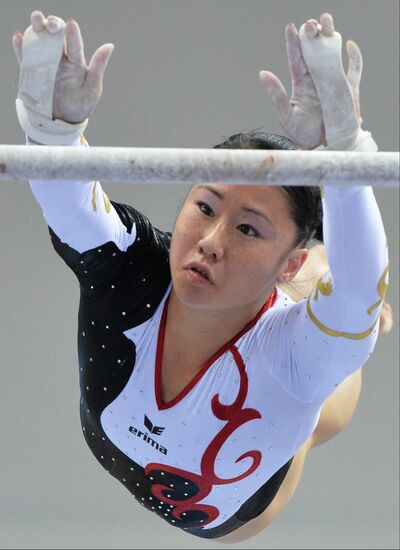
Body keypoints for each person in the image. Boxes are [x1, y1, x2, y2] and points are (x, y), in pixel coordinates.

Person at [12, 10, 391, 542]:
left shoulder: (295, 357)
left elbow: (356, 298)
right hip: (288, 324)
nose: (211, 243)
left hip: (245, 508)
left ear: (287, 260)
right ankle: (325, 283)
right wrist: (53, 132)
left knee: (350, 332)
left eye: (248, 230)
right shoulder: (132, 272)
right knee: (345, 323)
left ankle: (327, 281)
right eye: (206, 207)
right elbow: (72, 206)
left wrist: (346, 161)